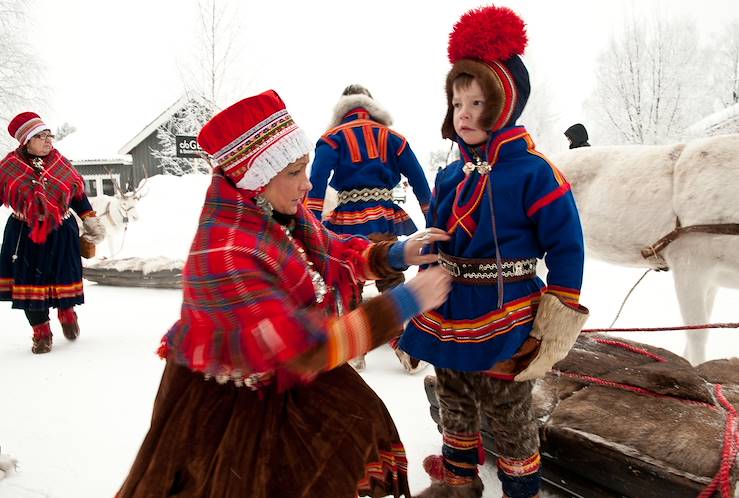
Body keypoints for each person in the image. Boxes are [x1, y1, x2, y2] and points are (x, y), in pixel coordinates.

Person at [117, 90, 452, 498]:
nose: (308, 184)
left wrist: (399, 251)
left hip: (286, 371)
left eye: (305, 168)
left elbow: (336, 251)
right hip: (232, 405)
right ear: (257, 176)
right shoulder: (227, 253)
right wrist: (406, 301)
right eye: (295, 172)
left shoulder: (277, 213)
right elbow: (304, 349)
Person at [398, 7, 589, 498]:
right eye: (457, 101)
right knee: (455, 400)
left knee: (507, 413)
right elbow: (438, 232)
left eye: (477, 102)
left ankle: (519, 490)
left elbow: (567, 245)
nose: (463, 113)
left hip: (508, 313)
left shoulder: (535, 173)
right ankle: (459, 483)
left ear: (503, 105)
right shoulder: (449, 174)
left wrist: (554, 321)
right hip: (450, 308)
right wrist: (426, 258)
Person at [305, 84, 433, 372]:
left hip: (347, 219)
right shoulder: (393, 137)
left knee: (350, 275)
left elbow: (317, 180)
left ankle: (354, 350)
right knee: (389, 273)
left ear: (342, 107)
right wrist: (432, 217)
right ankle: (404, 346)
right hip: (384, 216)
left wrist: (310, 223)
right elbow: (418, 178)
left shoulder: (332, 138)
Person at [0, 112, 105, 354]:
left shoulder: (61, 164)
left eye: (50, 135)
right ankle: (41, 332)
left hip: (61, 232)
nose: (48, 141)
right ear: (26, 140)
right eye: (41, 136)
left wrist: (90, 219)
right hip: (24, 236)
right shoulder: (9, 168)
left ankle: (67, 312)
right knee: (29, 284)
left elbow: (78, 195)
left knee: (63, 277)